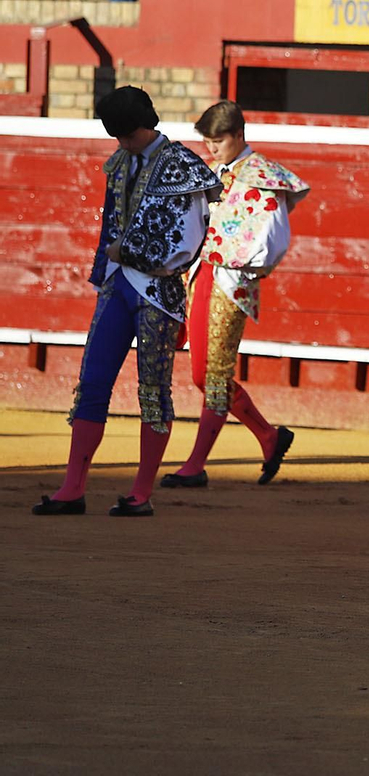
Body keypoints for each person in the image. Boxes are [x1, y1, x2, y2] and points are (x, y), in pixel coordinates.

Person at [31, 87, 221, 519]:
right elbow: (110, 224)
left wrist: (127, 253)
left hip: (159, 295)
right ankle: (72, 488)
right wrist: (105, 271)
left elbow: (187, 242)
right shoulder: (120, 161)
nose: (122, 143)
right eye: (117, 136)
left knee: (153, 391)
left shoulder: (182, 166)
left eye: (128, 135)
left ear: (145, 126)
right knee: (92, 383)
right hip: (118, 288)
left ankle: (141, 493)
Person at [160, 101, 310, 490]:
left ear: (239, 135)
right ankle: (269, 437)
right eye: (208, 142)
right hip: (199, 276)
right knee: (201, 374)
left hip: (230, 282)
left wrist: (244, 265)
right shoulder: (213, 173)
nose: (212, 149)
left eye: (219, 141)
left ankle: (195, 465)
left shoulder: (262, 174)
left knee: (213, 374)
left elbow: (275, 238)